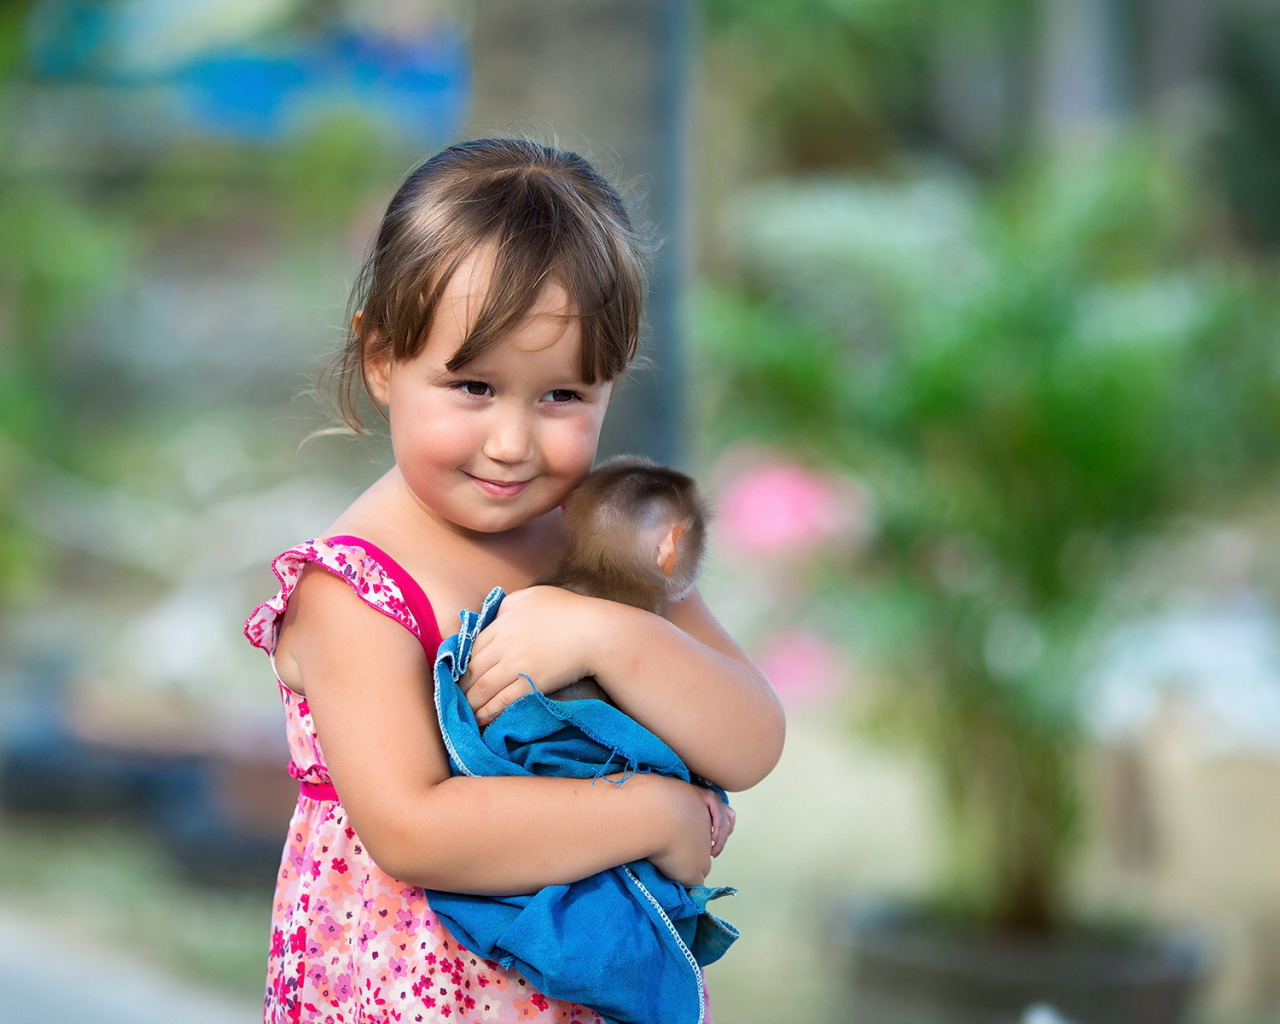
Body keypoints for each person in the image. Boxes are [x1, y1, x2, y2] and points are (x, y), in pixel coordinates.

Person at [244, 138, 785, 1024]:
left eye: (562, 397)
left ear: (612, 382)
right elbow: (413, 830)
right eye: (473, 386)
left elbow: (750, 739)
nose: (511, 442)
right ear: (383, 361)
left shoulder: (604, 539)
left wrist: (609, 633)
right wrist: (656, 815)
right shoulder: (356, 589)